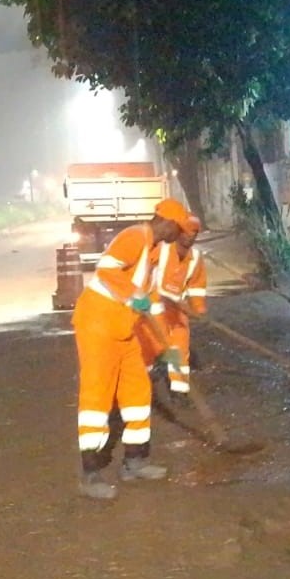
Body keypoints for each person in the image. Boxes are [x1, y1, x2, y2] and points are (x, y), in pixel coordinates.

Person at [72, 198, 193, 499]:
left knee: (138, 393)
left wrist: (165, 348)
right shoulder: (134, 237)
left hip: (124, 330)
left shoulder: (152, 252)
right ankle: (90, 474)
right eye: (176, 231)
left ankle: (135, 462)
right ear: (166, 222)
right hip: (99, 326)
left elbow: (150, 305)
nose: (175, 238)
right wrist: (130, 298)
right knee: (97, 398)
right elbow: (106, 270)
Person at [145, 214, 207, 396]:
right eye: (188, 232)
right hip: (153, 309)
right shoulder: (161, 251)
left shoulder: (195, 258)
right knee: (152, 347)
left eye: (195, 233)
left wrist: (198, 309)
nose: (192, 236)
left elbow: (196, 286)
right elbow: (142, 273)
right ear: (179, 233)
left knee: (180, 347)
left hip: (177, 312)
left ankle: (180, 391)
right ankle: (145, 380)